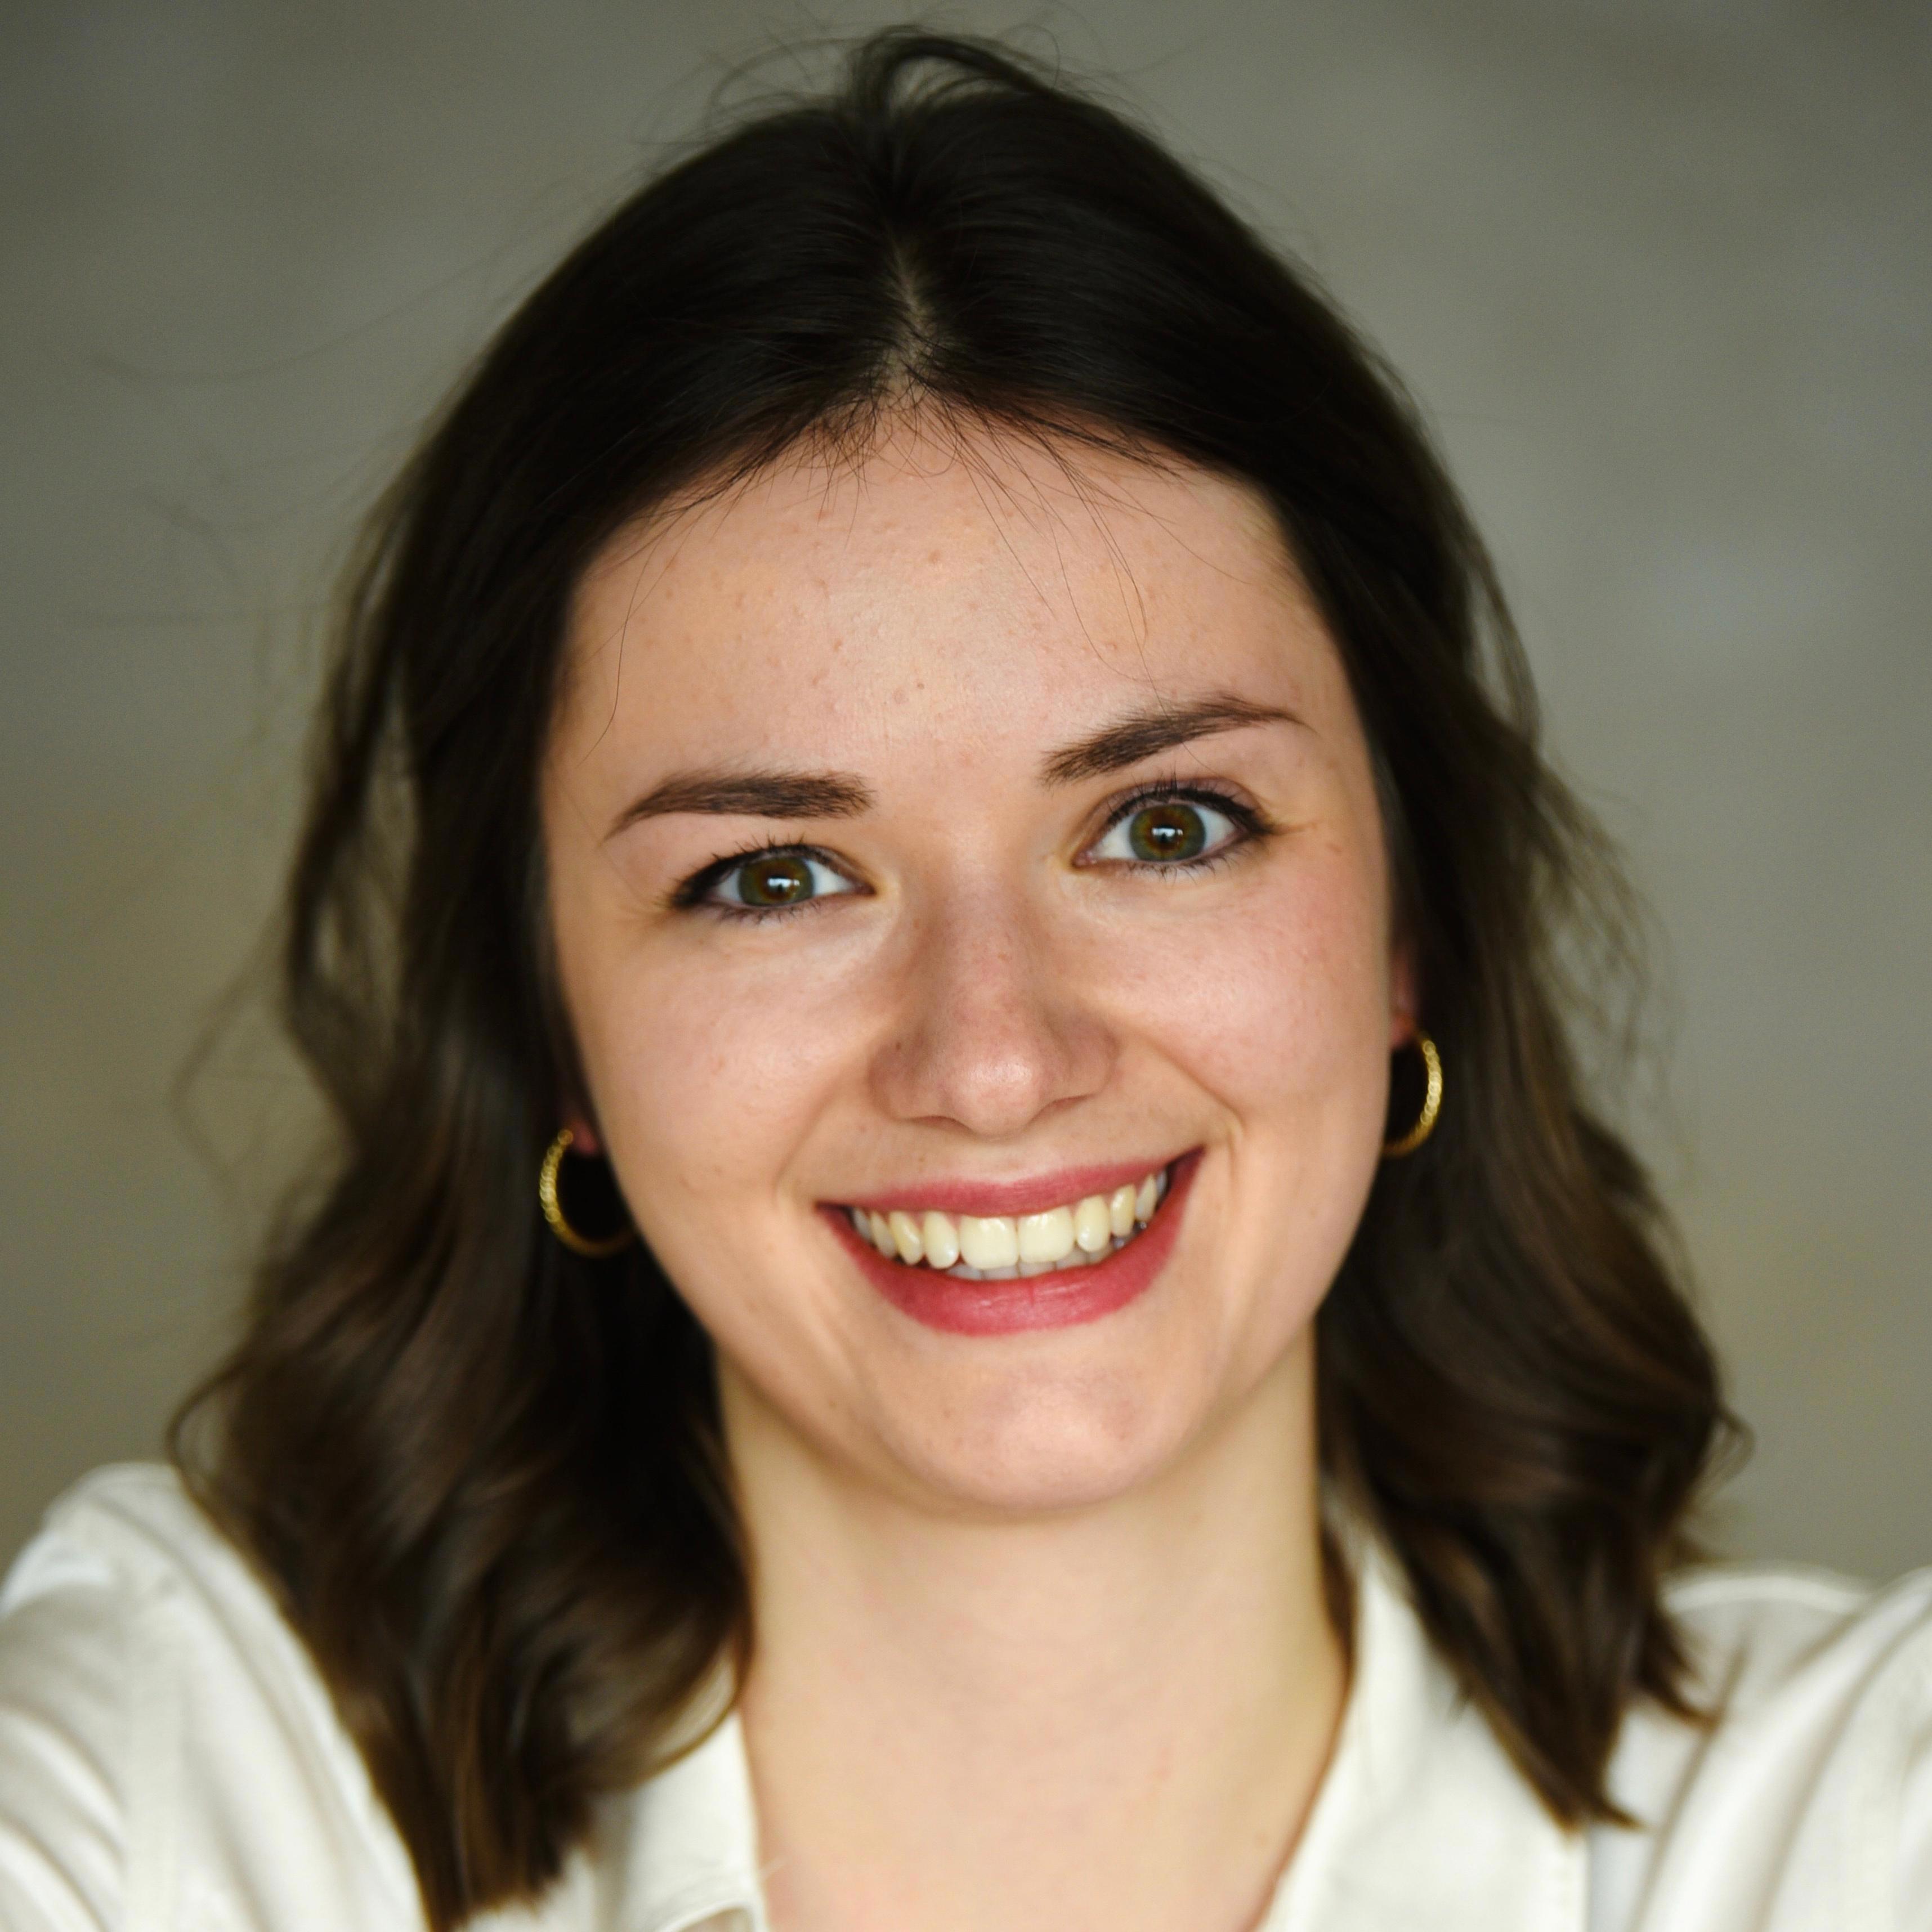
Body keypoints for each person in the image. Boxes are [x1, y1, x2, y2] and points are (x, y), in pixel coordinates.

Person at [1, 28, 1926, 1932]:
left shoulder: (1850, 1839)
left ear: (1415, 927)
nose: (995, 1059)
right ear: (550, 1027)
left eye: (1166, 828)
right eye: (771, 876)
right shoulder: (177, 1799)